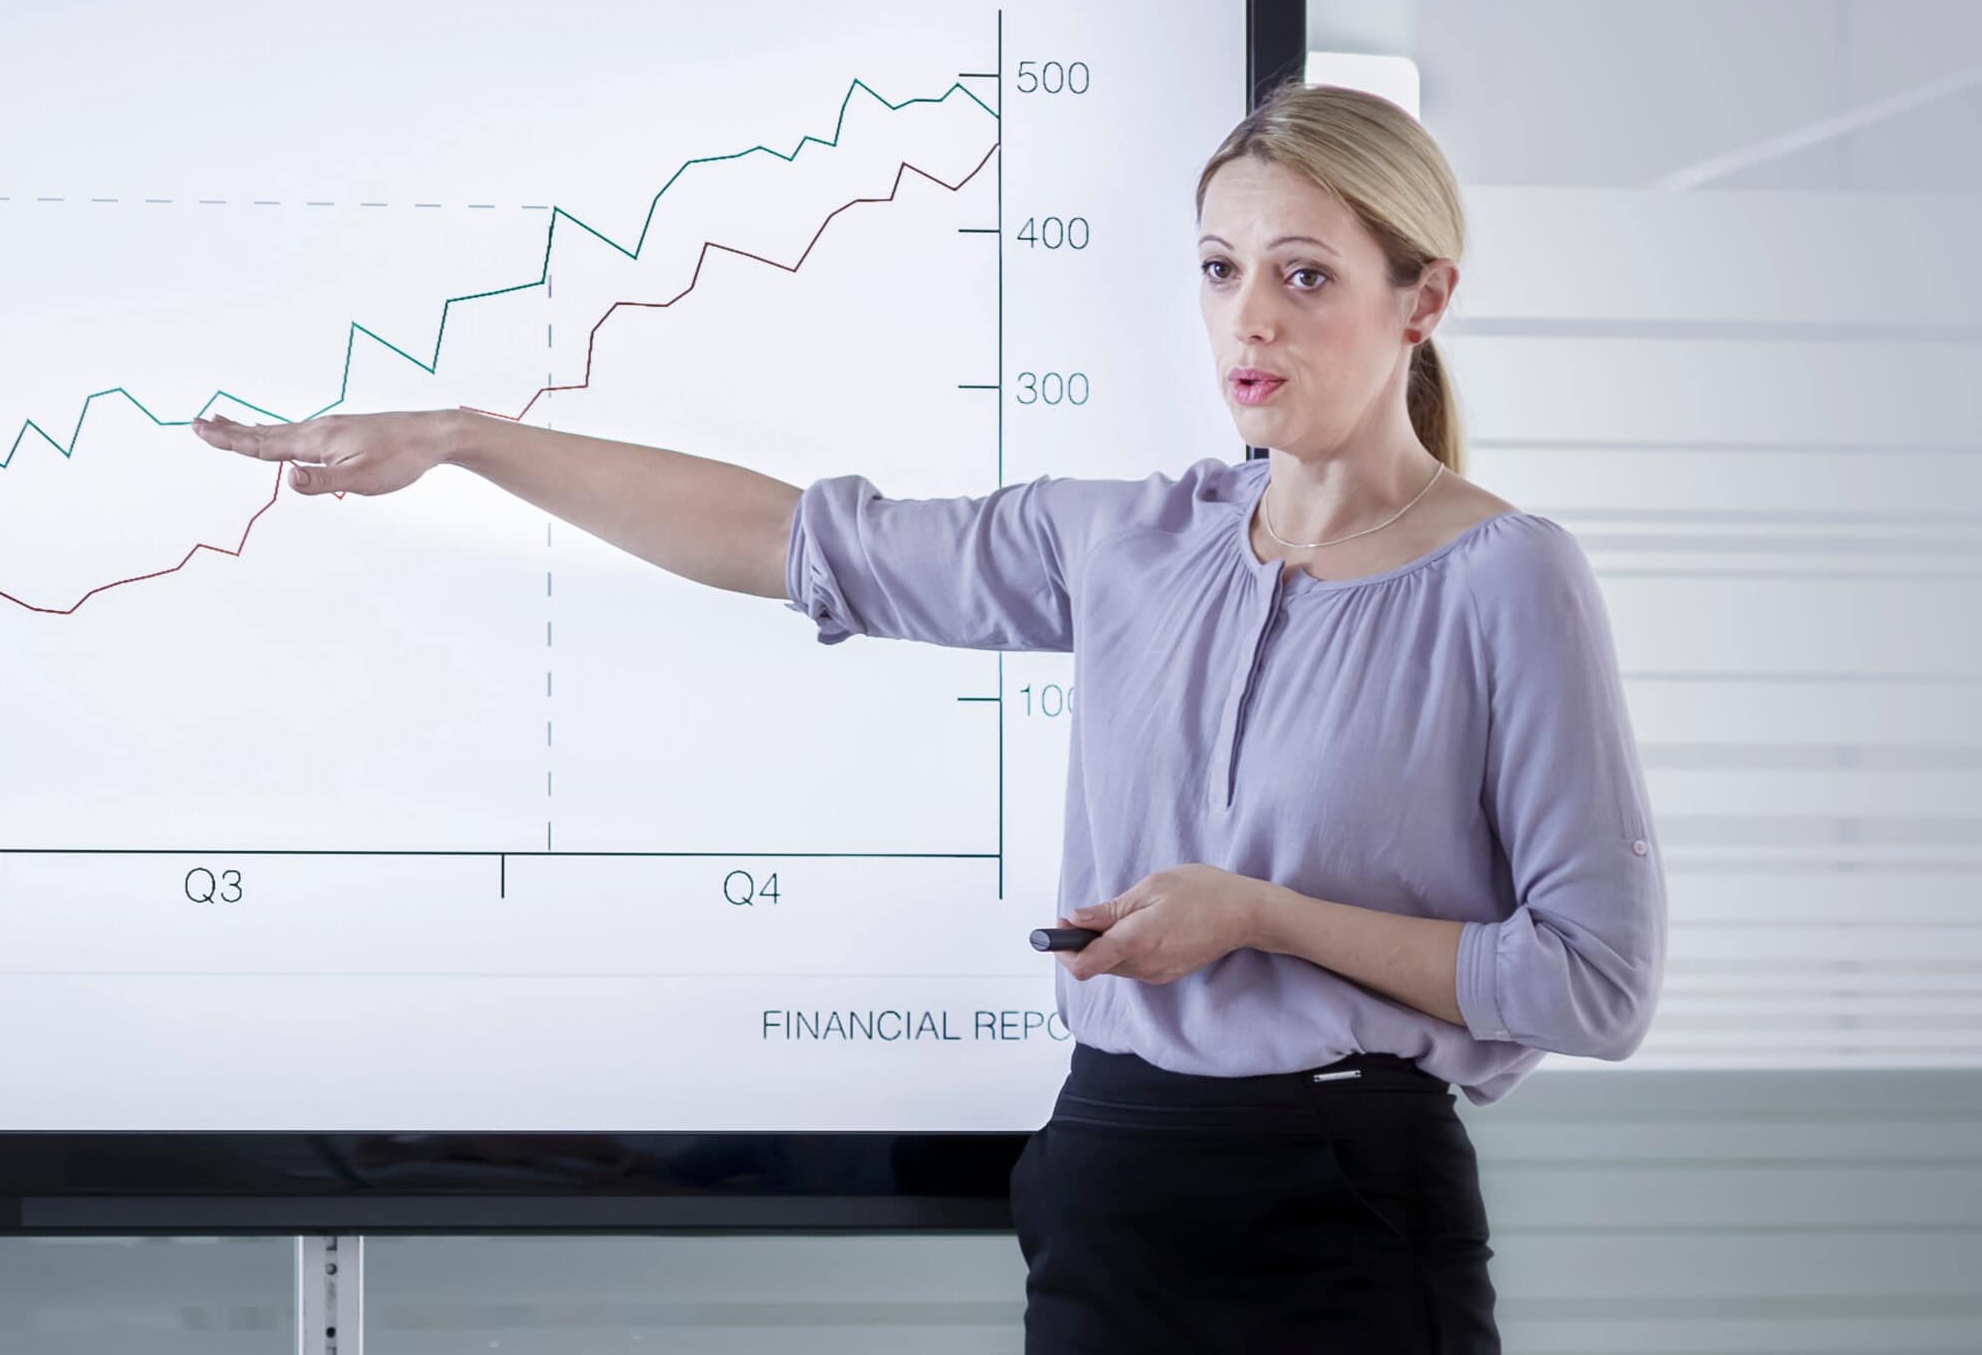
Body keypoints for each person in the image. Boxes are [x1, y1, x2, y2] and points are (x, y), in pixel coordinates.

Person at [190, 82, 1667, 1353]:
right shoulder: (1130, 544)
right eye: (1220, 270)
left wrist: (1264, 918)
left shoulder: (1505, 578)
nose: (1249, 319)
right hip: (1113, 1180)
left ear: (1423, 299)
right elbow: (788, 540)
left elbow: (1595, 982)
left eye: (1304, 275)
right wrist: (465, 438)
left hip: (1348, 1208)